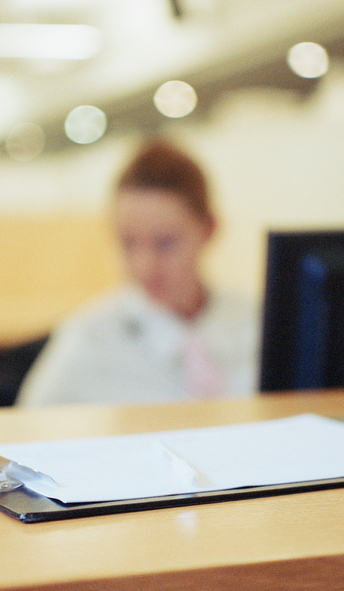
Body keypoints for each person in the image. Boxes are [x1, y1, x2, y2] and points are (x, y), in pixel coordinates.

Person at [16, 138, 260, 407]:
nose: (145, 266)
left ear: (209, 229)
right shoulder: (88, 341)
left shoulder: (257, 324)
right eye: (128, 243)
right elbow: (26, 434)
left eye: (165, 242)